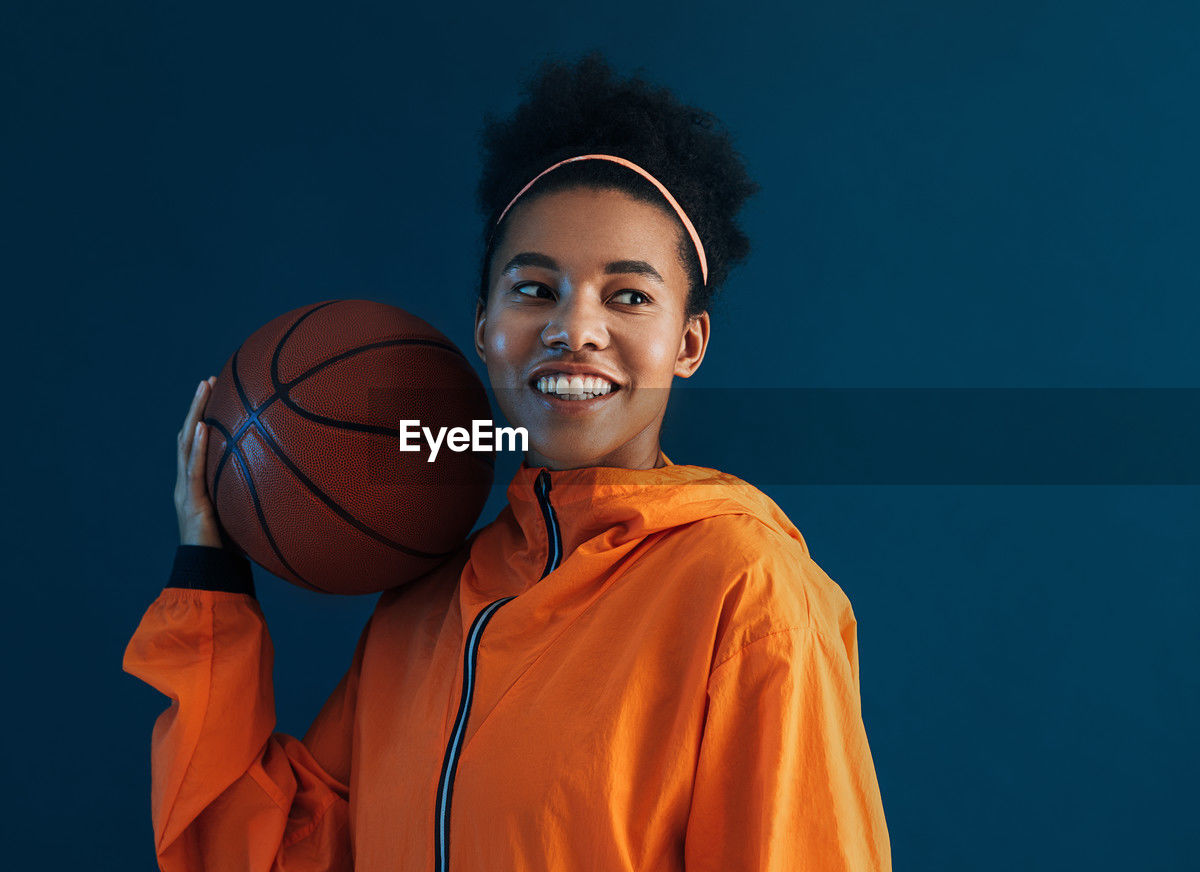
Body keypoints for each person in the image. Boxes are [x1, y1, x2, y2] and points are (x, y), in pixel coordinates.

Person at [124, 51, 892, 871]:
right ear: (484, 323)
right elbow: (253, 858)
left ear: (688, 343)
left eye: (628, 296)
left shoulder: (747, 593)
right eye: (534, 290)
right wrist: (211, 579)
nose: (575, 328)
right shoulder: (423, 608)